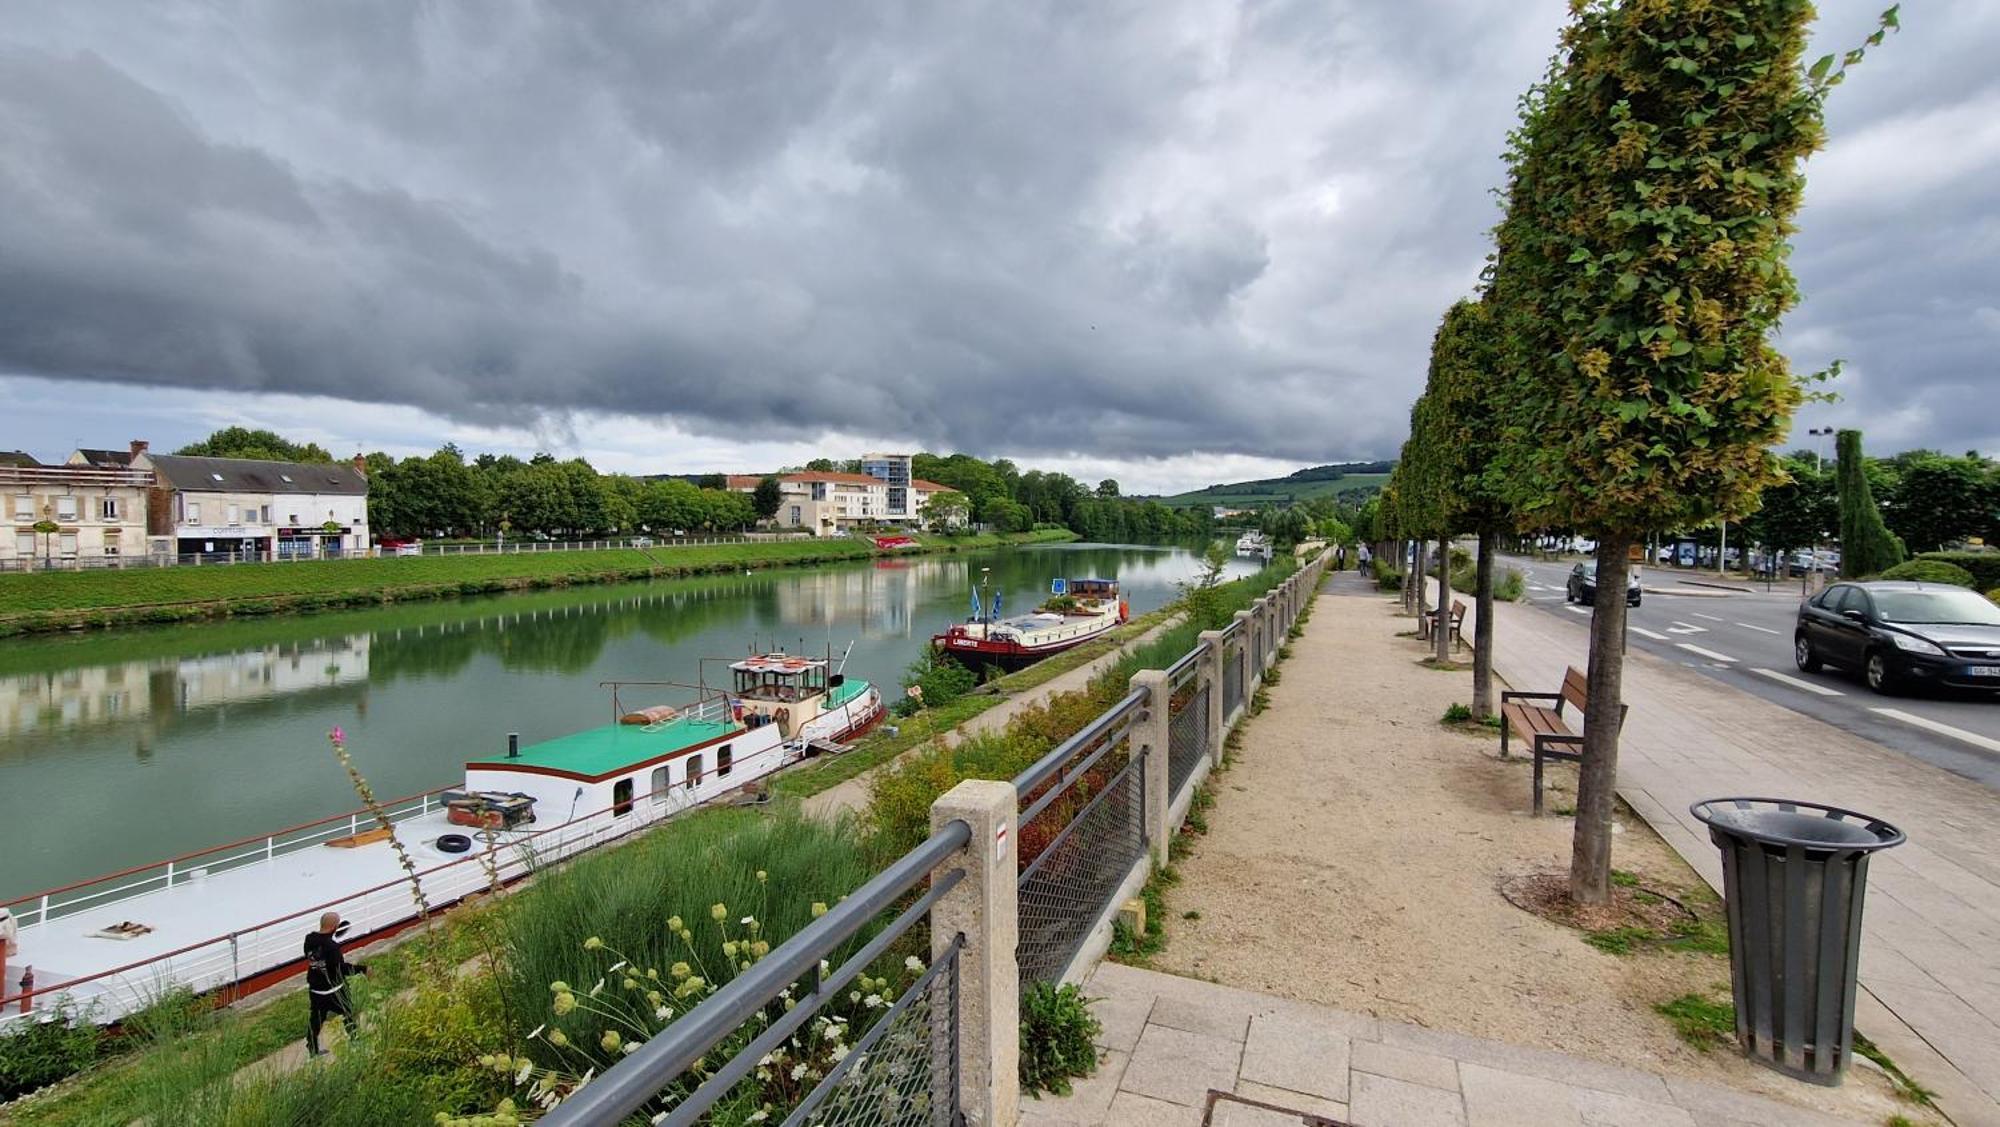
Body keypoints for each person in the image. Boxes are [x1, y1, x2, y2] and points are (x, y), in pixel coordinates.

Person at [304, 911, 367, 1057]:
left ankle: (312, 1048)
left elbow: (312, 957)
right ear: (334, 927)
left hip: (315, 989)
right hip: (334, 989)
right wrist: (363, 969)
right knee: (348, 1013)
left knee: (316, 1019)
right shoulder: (332, 947)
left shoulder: (309, 939)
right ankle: (356, 1041)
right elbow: (341, 969)